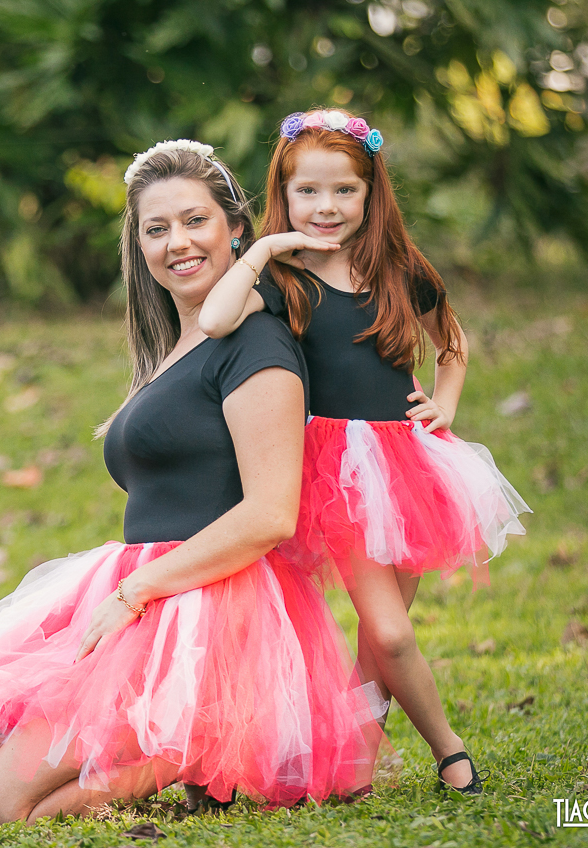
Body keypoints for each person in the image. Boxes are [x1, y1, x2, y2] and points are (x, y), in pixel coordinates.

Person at [0, 139, 384, 826]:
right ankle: (187, 743)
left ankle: (197, 743)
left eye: (196, 221)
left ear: (237, 229)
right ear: (137, 244)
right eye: (156, 228)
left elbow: (270, 514)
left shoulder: (256, 346)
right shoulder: (181, 342)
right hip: (143, 589)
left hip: (205, 605)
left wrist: (135, 594)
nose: (178, 243)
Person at [197, 109, 531, 795]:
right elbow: (215, 317)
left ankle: (355, 767)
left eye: (345, 190)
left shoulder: (400, 269)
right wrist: (259, 251)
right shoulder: (284, 279)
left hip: (410, 464)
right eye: (308, 192)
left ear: (371, 193)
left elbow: (453, 342)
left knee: (383, 637)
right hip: (335, 471)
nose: (327, 206)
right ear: (283, 196)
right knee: (392, 632)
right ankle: (450, 749)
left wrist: (447, 403)